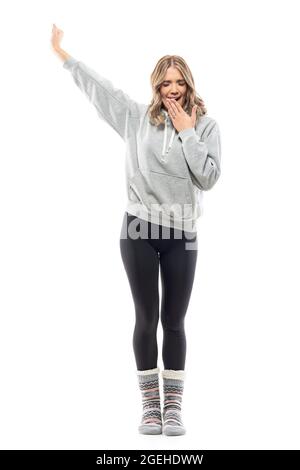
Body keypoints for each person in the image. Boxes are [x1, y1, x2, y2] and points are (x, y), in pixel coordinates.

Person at [51, 24, 222, 436]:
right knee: (145, 318)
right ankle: (150, 407)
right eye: (166, 83)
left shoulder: (207, 126)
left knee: (174, 321)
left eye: (180, 82)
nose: (173, 89)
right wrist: (61, 53)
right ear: (156, 86)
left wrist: (186, 132)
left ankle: (173, 408)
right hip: (138, 230)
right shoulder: (135, 117)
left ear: (189, 85)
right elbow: (98, 87)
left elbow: (209, 178)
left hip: (182, 233)